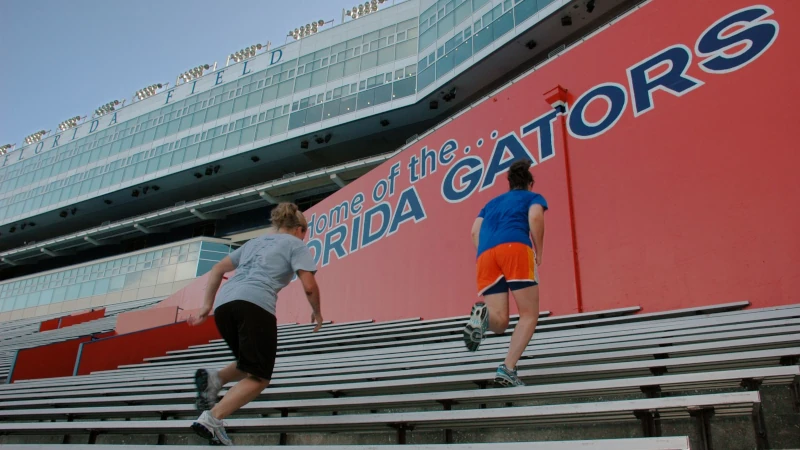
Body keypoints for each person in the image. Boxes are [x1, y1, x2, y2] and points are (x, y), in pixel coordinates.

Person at [186, 203, 322, 445]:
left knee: (249, 362)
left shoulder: (254, 243)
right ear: (300, 229)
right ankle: (212, 419)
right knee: (260, 376)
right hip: (255, 304)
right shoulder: (296, 244)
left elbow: (217, 268)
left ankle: (214, 379)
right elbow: (309, 286)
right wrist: (317, 313)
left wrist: (206, 306)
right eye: (306, 232)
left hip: (224, 306)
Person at [463, 159, 546, 387]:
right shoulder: (532, 198)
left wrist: (487, 253)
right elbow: (536, 217)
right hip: (515, 248)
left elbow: (473, 232)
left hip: (485, 255)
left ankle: (483, 317)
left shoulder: (490, 204)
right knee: (529, 314)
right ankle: (508, 368)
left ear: (509, 184)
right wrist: (539, 251)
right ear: (529, 183)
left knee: (499, 322)